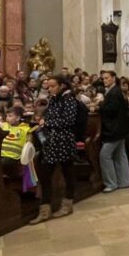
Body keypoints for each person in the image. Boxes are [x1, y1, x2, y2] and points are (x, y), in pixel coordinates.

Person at [35, 74, 79, 221]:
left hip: (64, 140)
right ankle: (45, 209)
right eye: (49, 86)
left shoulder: (69, 99)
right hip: (51, 140)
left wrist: (47, 123)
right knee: (45, 173)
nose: (50, 89)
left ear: (62, 85)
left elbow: (69, 120)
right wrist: (43, 118)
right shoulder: (53, 99)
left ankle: (67, 204)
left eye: (53, 86)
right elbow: (49, 115)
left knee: (67, 171)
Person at [98, 69, 129, 192]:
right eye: (103, 78)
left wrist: (100, 104)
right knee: (120, 155)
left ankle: (111, 183)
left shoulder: (114, 92)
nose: (104, 80)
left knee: (104, 155)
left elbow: (111, 109)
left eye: (107, 78)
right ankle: (124, 181)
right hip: (119, 128)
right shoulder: (115, 91)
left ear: (113, 78)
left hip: (114, 129)